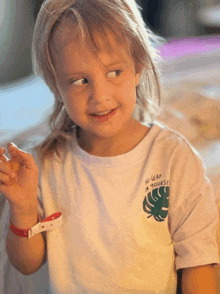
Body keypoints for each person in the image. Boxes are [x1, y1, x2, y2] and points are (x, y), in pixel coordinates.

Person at [1, 0, 219, 293]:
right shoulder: (45, 162)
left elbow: (199, 264)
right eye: (80, 80)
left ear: (138, 67)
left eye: (114, 72)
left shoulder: (173, 158)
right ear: (56, 85)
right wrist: (23, 207)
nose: (100, 96)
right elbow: (26, 264)